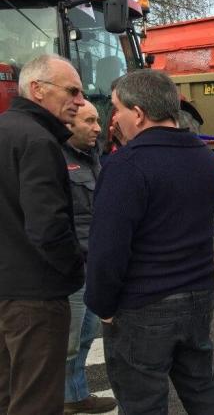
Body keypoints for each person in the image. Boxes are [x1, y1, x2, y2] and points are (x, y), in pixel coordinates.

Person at [85, 69, 214, 414]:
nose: (114, 118)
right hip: (197, 295)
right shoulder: (205, 158)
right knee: (201, 387)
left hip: (143, 305)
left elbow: (107, 250)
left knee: (142, 401)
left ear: (138, 113)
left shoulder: (126, 166)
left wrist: (103, 306)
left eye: (117, 108)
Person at [0, 54, 85, 415]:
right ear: (37, 90)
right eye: (72, 91)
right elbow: (48, 225)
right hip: (35, 298)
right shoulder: (39, 141)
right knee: (36, 401)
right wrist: (74, 271)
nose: (80, 101)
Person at [62, 101, 118, 414]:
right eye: (90, 120)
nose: (98, 127)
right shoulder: (54, 157)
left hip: (93, 264)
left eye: (99, 120)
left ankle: (75, 395)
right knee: (66, 342)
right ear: (69, 124)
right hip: (72, 267)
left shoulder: (94, 157)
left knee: (83, 337)